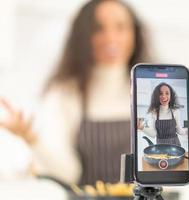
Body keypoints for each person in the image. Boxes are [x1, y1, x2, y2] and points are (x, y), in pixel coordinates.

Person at [0, 0, 148, 185]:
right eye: (98, 28)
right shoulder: (65, 93)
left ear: (134, 33)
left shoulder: (151, 91)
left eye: (120, 27)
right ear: (83, 36)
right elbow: (69, 174)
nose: (111, 37)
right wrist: (31, 138)